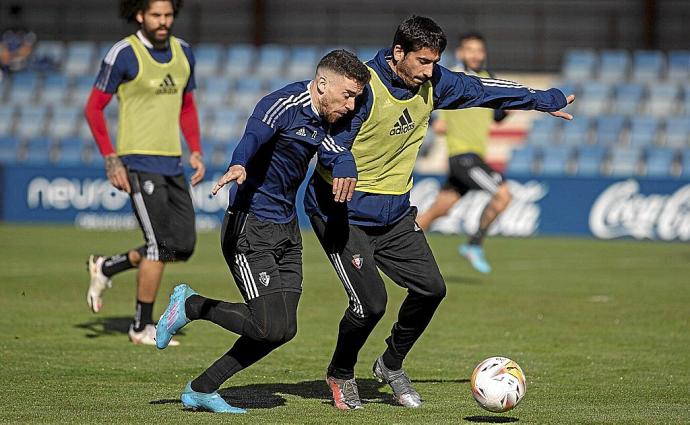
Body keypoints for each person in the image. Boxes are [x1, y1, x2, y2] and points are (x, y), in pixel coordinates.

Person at [304, 16, 574, 410]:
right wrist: (341, 160)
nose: (431, 71)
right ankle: (341, 373)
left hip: (394, 213)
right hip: (341, 212)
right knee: (371, 304)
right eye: (423, 62)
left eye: (435, 62)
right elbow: (325, 130)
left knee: (432, 289)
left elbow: (483, 88)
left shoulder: (433, 82)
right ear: (399, 53)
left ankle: (390, 364)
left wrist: (542, 99)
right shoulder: (362, 85)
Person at [155, 49, 370, 413]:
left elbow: (335, 151)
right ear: (322, 84)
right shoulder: (282, 104)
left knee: (283, 329)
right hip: (249, 226)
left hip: (286, 229)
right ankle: (190, 305)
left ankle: (202, 388)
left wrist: (346, 164)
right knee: (268, 325)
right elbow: (254, 133)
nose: (351, 106)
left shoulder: (327, 119)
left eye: (356, 98)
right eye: (348, 95)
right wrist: (239, 163)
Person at [83, 0, 205, 346]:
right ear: (140, 15)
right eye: (156, 15)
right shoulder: (124, 53)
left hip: (173, 162)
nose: (164, 21)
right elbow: (93, 109)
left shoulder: (184, 53)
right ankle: (141, 326)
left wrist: (195, 148)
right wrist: (112, 159)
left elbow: (187, 105)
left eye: (168, 15)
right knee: (159, 245)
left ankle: (107, 267)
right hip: (137, 162)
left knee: (182, 245)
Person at [416, 31, 510, 274]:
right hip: (463, 156)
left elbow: (498, 116)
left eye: (479, 50)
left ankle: (394, 247)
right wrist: (433, 119)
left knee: (439, 209)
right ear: (460, 53)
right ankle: (474, 244)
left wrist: (510, 107)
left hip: (475, 155)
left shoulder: (489, 79)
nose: (475, 55)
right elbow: (425, 101)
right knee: (503, 195)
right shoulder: (450, 78)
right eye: (470, 50)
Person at [0, 4, 37, 75]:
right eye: (12, 18)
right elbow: (2, 50)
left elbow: (26, 50)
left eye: (16, 18)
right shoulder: (5, 33)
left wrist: (14, 56)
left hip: (24, 66)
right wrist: (8, 57)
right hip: (6, 66)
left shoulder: (28, 33)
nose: (14, 21)